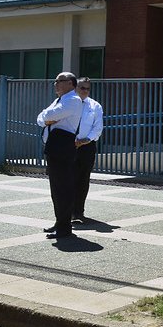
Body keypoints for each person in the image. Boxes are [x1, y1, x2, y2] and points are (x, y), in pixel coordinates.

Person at [36, 72, 83, 239]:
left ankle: (64, 228)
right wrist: (48, 119)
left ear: (70, 83)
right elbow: (41, 118)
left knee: (63, 187)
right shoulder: (59, 100)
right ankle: (59, 221)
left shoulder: (73, 100)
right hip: (54, 145)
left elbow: (49, 115)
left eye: (60, 81)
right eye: (55, 81)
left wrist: (48, 118)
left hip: (63, 144)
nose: (56, 84)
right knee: (55, 187)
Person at [72, 77, 103, 224]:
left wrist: (85, 141)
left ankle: (79, 211)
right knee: (67, 179)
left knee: (83, 180)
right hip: (69, 146)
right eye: (82, 87)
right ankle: (67, 211)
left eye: (87, 88)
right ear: (75, 88)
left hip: (87, 147)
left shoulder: (95, 106)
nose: (84, 91)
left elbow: (97, 128)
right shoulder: (68, 103)